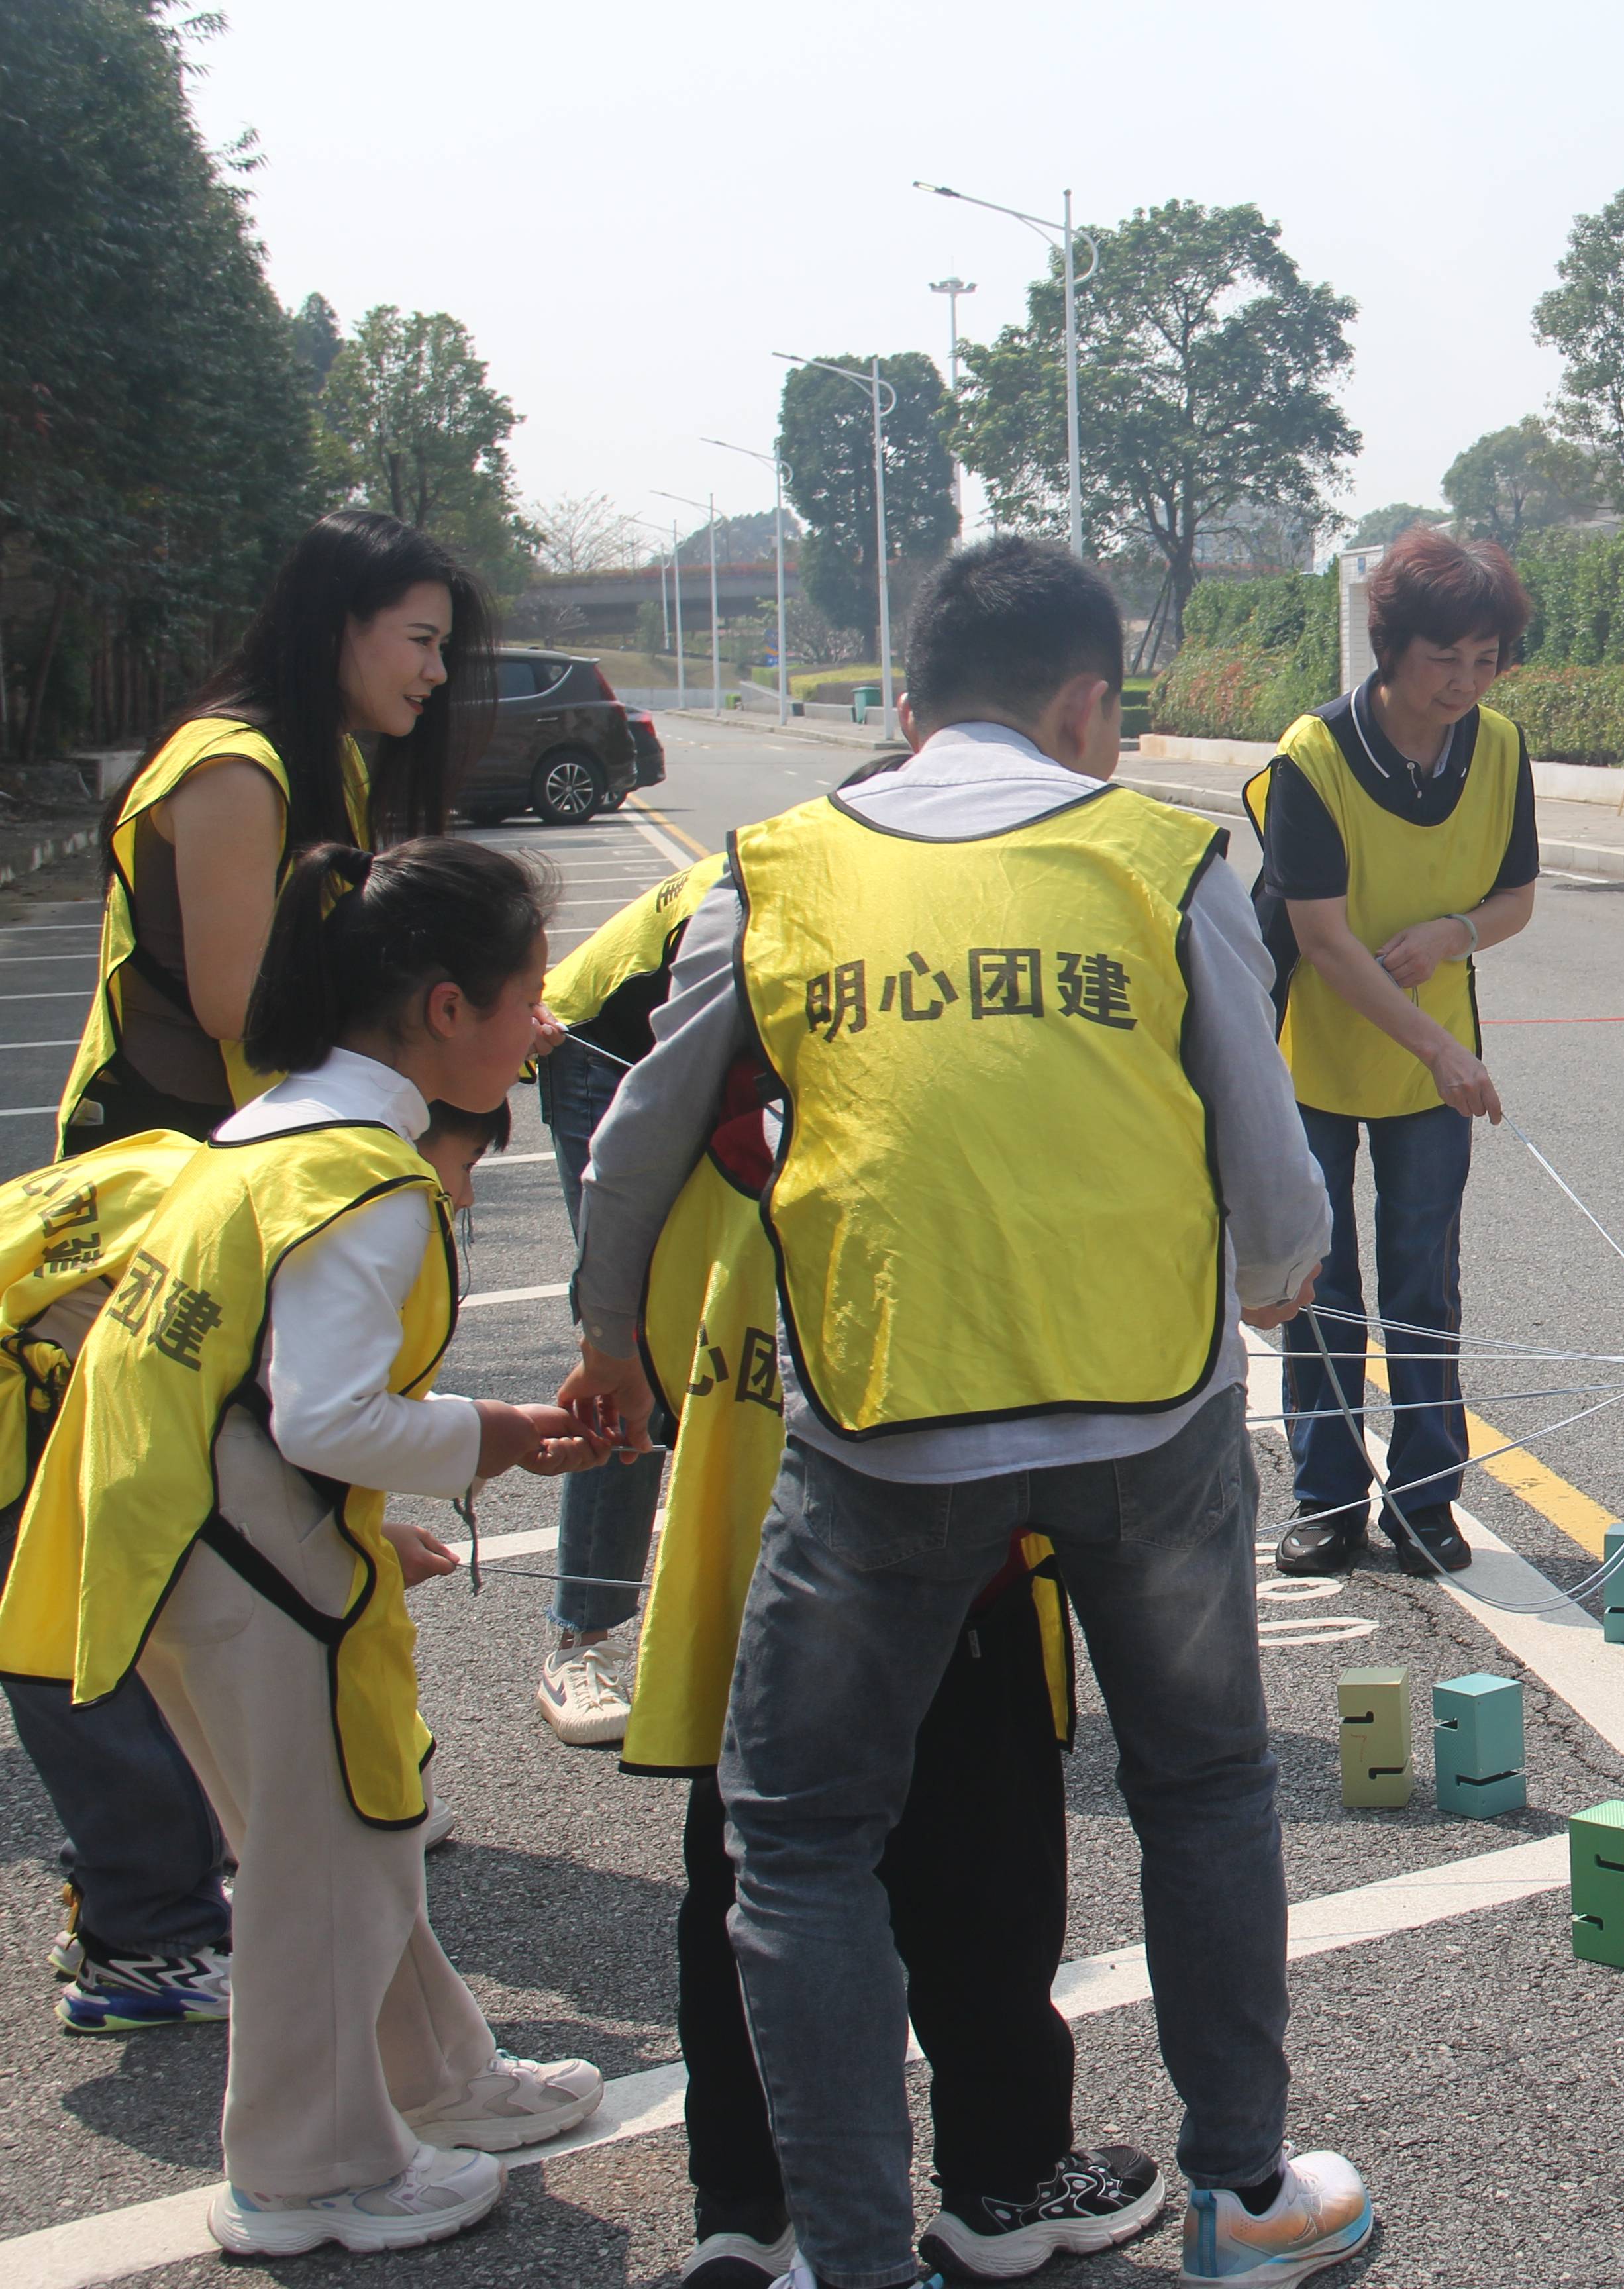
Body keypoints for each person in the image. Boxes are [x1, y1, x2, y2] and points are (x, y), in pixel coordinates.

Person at [558, 536, 1362, 2289]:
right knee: (1205, 1781)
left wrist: (610, 1335)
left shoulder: (772, 867)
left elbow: (635, 1140)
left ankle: (849, 2256)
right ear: (1090, 704)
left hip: (883, 1429)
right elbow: (1276, 1186)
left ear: (908, 704)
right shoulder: (1167, 860)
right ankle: (1241, 2194)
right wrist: (1274, 1275)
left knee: (799, 1841)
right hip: (1143, 1421)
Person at [0, 838, 608, 2258]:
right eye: (528, 998)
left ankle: (439, 2081)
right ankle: (306, 2173)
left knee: (339, 1842)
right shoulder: (369, 1180)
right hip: (250, 1558)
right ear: (447, 1008)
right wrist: (497, 1434)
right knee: (329, 1859)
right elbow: (328, 1414)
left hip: (179, 1536)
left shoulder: (271, 1128)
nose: (546, 1029)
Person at [613, 1051, 1160, 2288]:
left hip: (747, 1579)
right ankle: (1005, 2180)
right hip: (946, 1577)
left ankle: (748, 2208)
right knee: (983, 1895)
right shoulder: (940, 1149)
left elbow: (657, 1350)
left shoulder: (691, 1159)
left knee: (748, 1899)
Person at [1246, 526, 1539, 1579]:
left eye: (1485, 660)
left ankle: (1425, 1501)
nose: (1463, 683)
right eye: (1442, 659)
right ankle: (1327, 1499)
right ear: (1390, 648)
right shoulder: (1311, 759)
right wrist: (1436, 1047)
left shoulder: (1500, 749)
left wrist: (1455, 934)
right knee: (1319, 1285)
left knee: (1426, 1283)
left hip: (1433, 1073)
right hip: (1316, 1060)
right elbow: (1321, 938)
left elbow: (1515, 900)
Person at [59, 509, 483, 1155]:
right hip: (164, 1151)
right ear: (338, 626)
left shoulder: (331, 757)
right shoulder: (234, 769)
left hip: (252, 1132)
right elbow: (235, 1005)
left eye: (443, 649)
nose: (438, 672)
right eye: (422, 641)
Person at [0, 1126, 227, 2034]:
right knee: (94, 1670)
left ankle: (118, 1914)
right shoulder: (248, 1230)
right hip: (23, 1410)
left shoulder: (202, 1165)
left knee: (99, 1656)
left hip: (35, 1379)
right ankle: (149, 1948)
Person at [527, 852, 726, 1746]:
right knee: (643, 1345)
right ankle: (584, 1636)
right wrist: (613, 1327)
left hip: (697, 1067)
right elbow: (655, 1116)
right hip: (604, 1060)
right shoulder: (764, 892)